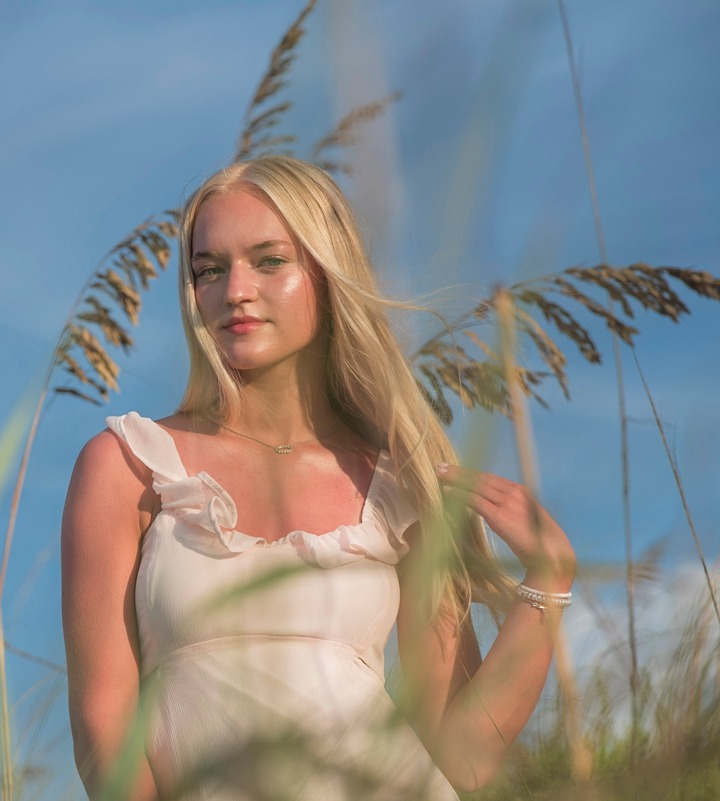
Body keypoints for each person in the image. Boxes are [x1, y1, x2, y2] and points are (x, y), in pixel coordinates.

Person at [61, 155, 576, 800]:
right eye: (208, 270)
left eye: (269, 260)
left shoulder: (401, 488)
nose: (235, 290)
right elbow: (102, 725)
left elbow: (464, 757)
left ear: (327, 275)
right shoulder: (130, 464)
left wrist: (548, 583)